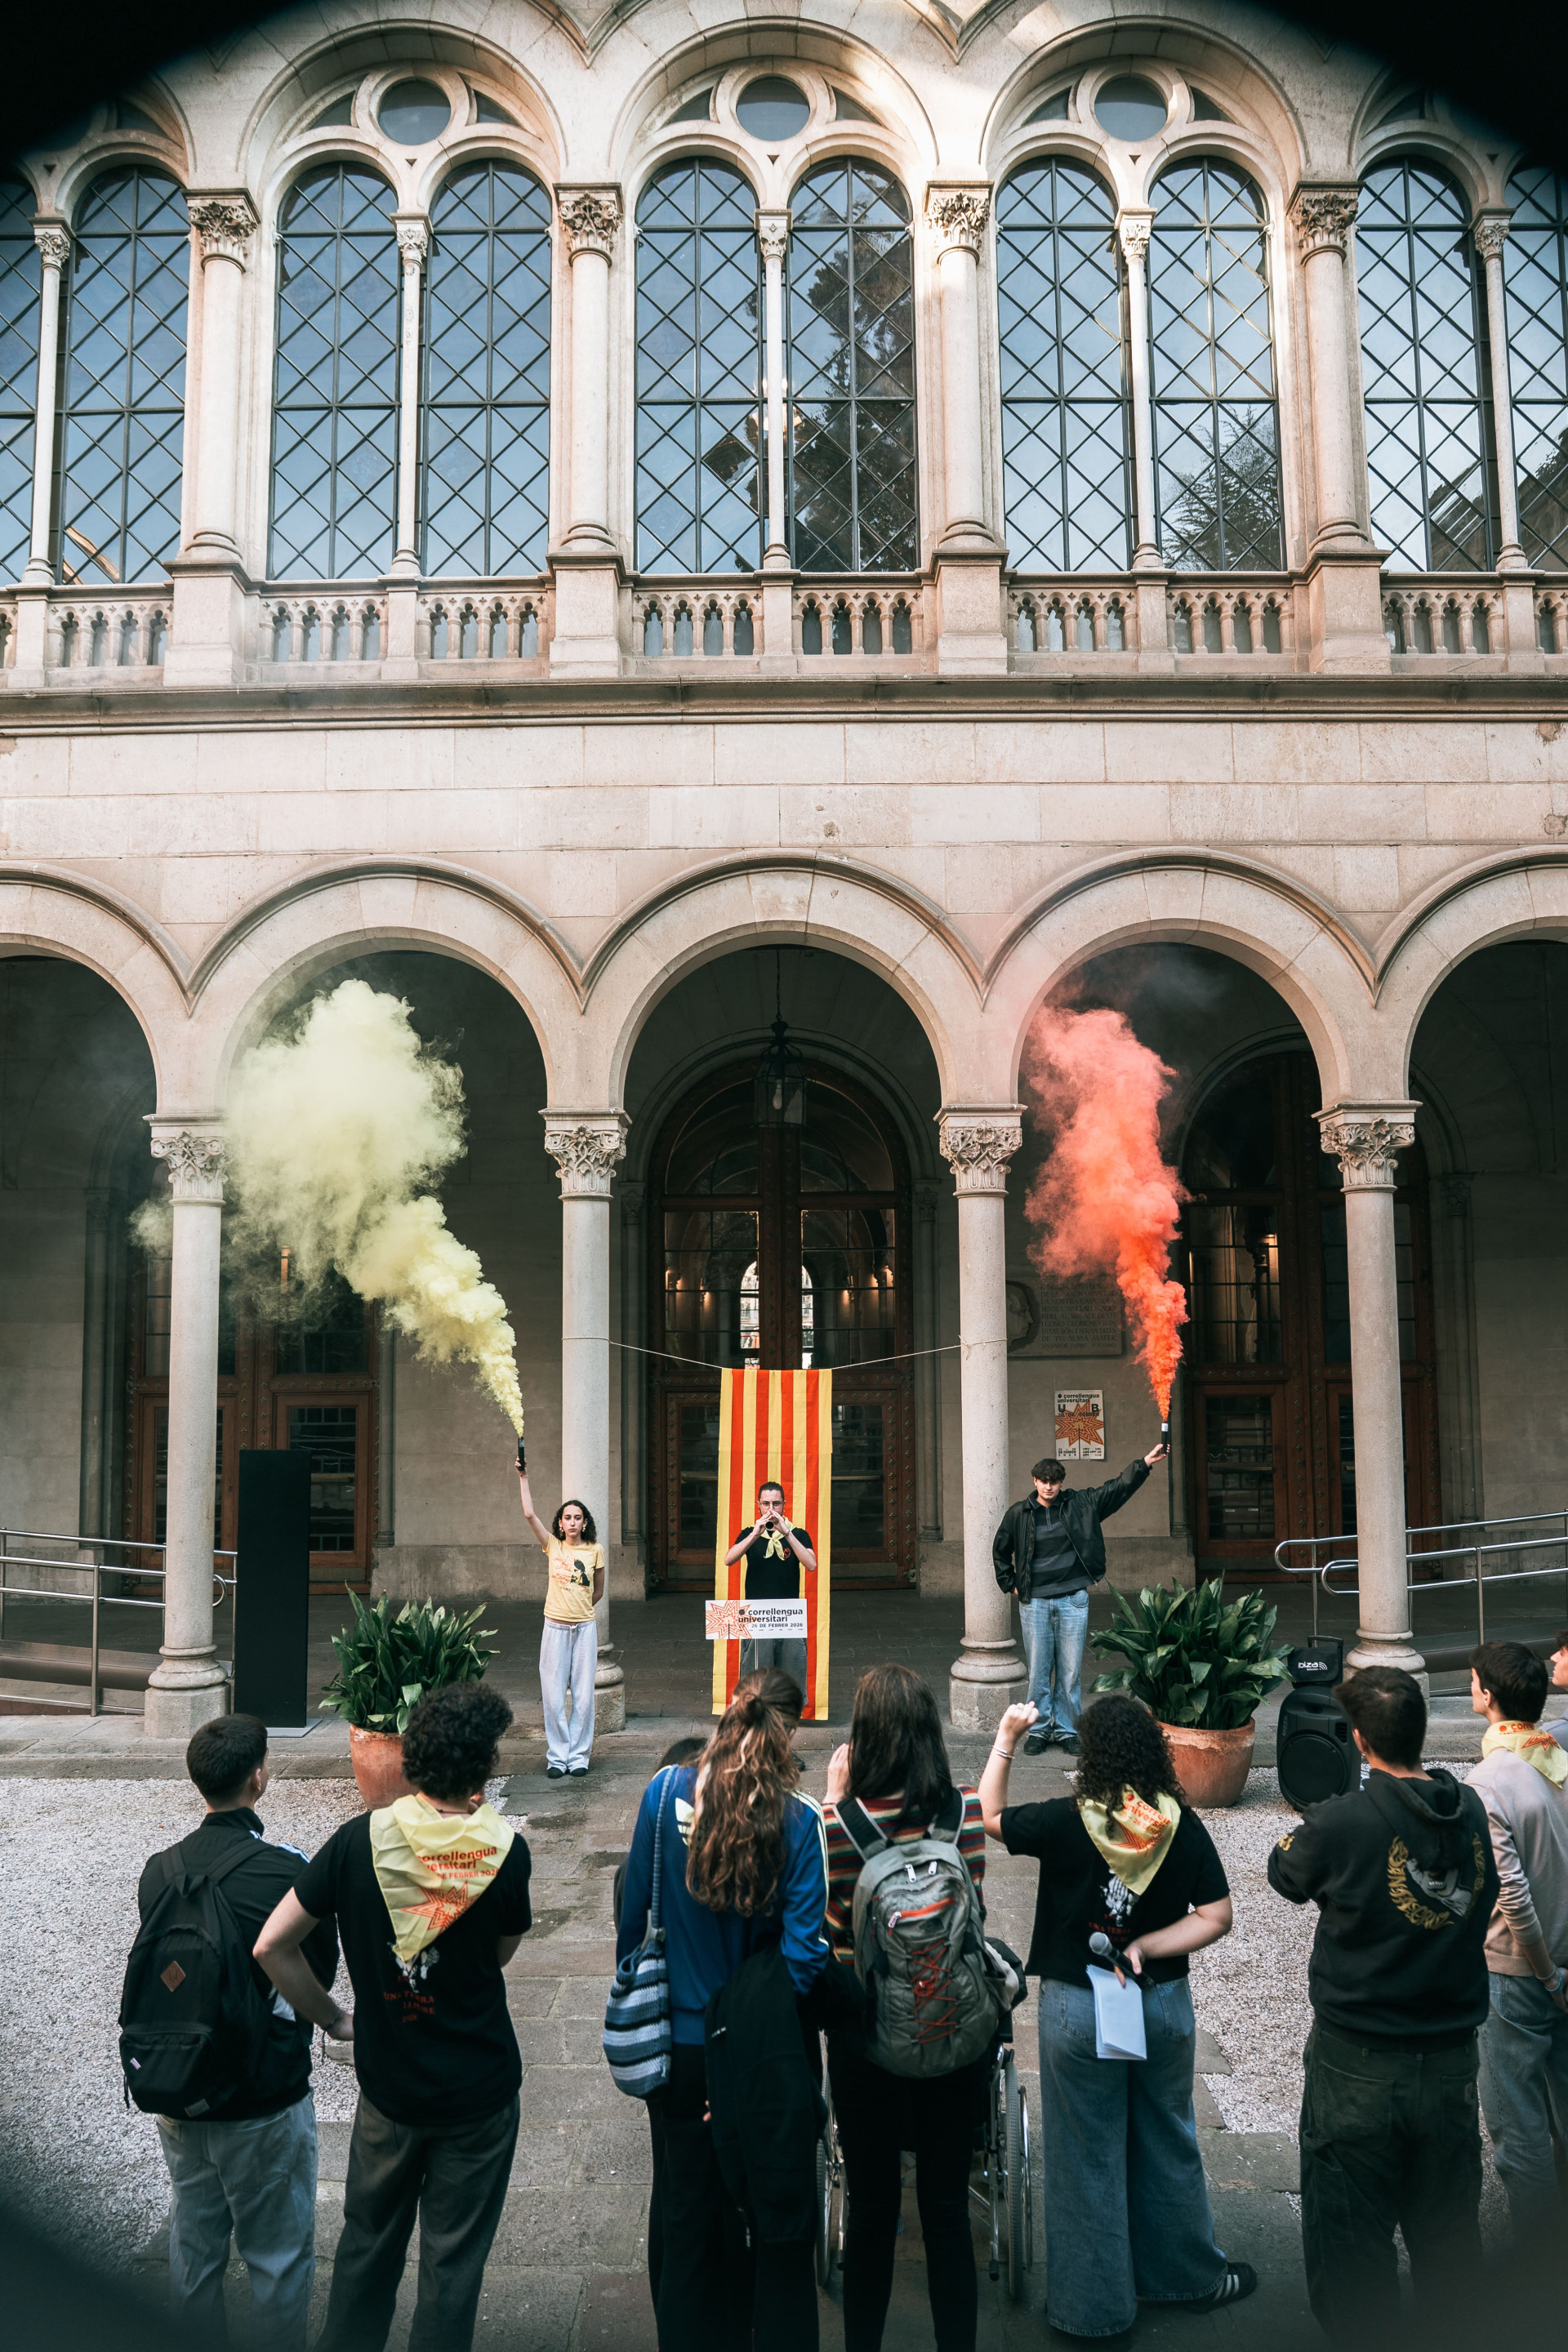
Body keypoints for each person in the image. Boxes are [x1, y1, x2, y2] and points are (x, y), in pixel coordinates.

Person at [255, 1684, 531, 2352]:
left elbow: (271, 1945)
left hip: (389, 2092)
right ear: (483, 1769)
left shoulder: (357, 1843)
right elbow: (498, 1957)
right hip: (477, 2094)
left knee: (366, 2250)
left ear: (412, 1760)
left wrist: (332, 2018)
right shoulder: (506, 1854)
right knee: (452, 2269)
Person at [980, 1690, 1246, 2337]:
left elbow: (989, 1816)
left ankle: (1091, 2310)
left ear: (1091, 1756)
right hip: (1158, 2002)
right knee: (1168, 2136)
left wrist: (1006, 1739)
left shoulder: (1067, 1821)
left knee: (1083, 2154)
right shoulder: (1179, 1822)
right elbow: (1217, 1916)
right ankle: (1184, 2278)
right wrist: (1148, 1945)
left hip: (1078, 2006)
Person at [1267, 1664, 1497, 2345]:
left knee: (1350, 2245)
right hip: (1452, 2058)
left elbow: (1285, 1874)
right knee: (1449, 2238)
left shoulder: (1341, 1821)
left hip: (1359, 2062)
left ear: (1360, 1740)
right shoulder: (1473, 1810)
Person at [617, 1668, 828, 2352]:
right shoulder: (798, 1822)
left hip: (675, 2049)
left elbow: (633, 1916)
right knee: (766, 2209)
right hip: (752, 2056)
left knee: (684, 2213)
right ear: (785, 1734)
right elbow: (804, 1959)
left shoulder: (662, 1791)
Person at [136, 1713, 339, 2352]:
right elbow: (319, 1972)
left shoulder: (158, 1871)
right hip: (261, 2095)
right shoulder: (284, 1872)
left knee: (193, 2247)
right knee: (276, 2256)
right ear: (259, 1778)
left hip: (179, 2084)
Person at [822, 1664, 989, 2352]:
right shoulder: (967, 1813)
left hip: (867, 2040)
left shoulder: (838, 1826)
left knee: (870, 2212)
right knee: (948, 2212)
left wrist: (833, 1802)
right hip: (953, 2032)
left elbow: (832, 1935)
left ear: (864, 1740)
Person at [1467, 1640, 1568, 2230]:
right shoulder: (1555, 1755)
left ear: (1487, 1695)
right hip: (1563, 1958)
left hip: (1520, 1971)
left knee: (1517, 2126)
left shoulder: (1490, 1781)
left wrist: (1545, 1971)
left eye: (1475, 1681)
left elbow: (1514, 1896)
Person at [991, 1446, 1167, 1756]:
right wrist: (1011, 1584)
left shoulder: (1081, 1504)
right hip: (1036, 1603)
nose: (1049, 1486)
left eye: (1055, 1481)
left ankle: (1068, 1729)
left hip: (1073, 1599)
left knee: (1070, 1672)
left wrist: (1143, 1465)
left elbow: (1116, 1489)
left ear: (1061, 1483)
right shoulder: (1019, 1513)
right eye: (1044, 1480)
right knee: (1039, 1672)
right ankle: (1040, 1730)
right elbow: (1000, 1548)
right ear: (1034, 1481)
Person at [516, 1463, 604, 1777]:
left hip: (584, 1629)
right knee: (553, 1697)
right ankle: (557, 1757)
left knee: (583, 1697)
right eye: (567, 1517)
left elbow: (598, 1591)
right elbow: (529, 1514)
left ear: (585, 1522)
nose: (572, 1522)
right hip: (554, 1627)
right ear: (560, 1522)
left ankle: (579, 1757)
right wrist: (524, 1477)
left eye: (577, 1517)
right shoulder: (552, 1546)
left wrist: (579, 1610)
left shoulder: (595, 1551)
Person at [724, 1479, 817, 1696]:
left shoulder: (799, 1534)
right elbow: (729, 1560)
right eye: (766, 1504)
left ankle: (785, 1715)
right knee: (755, 1672)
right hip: (757, 1615)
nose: (771, 1509)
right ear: (758, 1505)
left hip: (788, 1615)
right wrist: (755, 1533)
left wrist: (787, 1533)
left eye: (776, 1504)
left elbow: (811, 1564)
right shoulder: (749, 1533)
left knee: (791, 1671)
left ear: (785, 1505)